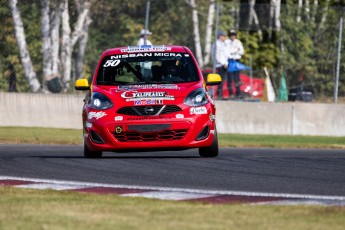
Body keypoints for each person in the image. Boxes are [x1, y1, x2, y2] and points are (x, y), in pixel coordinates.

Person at [225, 29, 244, 99]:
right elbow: (228, 52)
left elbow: (242, 52)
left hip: (236, 61)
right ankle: (231, 93)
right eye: (231, 35)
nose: (233, 37)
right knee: (230, 78)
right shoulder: (227, 42)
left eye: (234, 35)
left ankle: (238, 93)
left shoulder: (238, 42)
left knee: (237, 78)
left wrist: (234, 52)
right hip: (230, 61)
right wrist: (236, 50)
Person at [211, 31, 230, 99]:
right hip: (220, 65)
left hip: (224, 64)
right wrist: (222, 63)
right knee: (220, 80)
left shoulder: (222, 44)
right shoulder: (217, 44)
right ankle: (219, 94)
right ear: (220, 36)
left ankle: (220, 94)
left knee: (223, 80)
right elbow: (217, 55)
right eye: (223, 36)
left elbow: (225, 54)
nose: (224, 37)